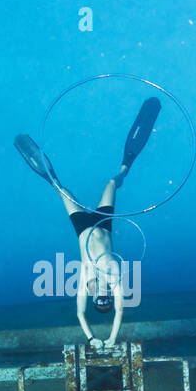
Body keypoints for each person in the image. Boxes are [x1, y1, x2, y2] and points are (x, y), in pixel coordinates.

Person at [15, 97, 160, 348]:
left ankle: (50, 175)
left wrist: (93, 338)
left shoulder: (85, 279)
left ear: (94, 297)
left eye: (98, 298)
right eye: (105, 299)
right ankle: (126, 166)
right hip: (103, 223)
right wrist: (112, 338)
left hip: (82, 227)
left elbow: (80, 314)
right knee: (112, 182)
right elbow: (121, 313)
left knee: (62, 189)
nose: (100, 294)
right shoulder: (115, 277)